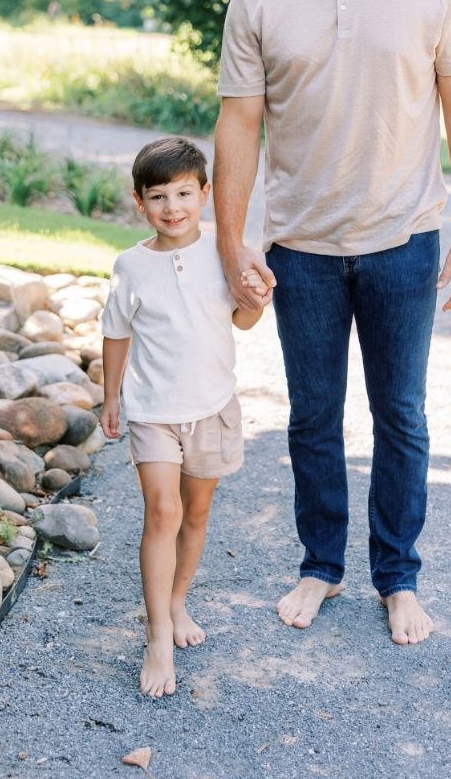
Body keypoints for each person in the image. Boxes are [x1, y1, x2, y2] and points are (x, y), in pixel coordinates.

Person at [214, 0, 451, 646]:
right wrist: (234, 241)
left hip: (402, 243)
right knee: (311, 418)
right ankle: (320, 566)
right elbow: (237, 126)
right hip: (300, 250)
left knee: (401, 417)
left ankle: (398, 577)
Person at [99, 136, 267, 698]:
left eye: (183, 193)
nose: (172, 207)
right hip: (153, 412)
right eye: (158, 196)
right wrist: (112, 396)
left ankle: (176, 601)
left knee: (196, 514)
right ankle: (156, 636)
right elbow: (116, 333)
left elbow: (240, 322)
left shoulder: (225, 251)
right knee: (163, 511)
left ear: (206, 194)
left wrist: (255, 301)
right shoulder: (130, 266)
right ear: (139, 201)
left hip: (212, 406)